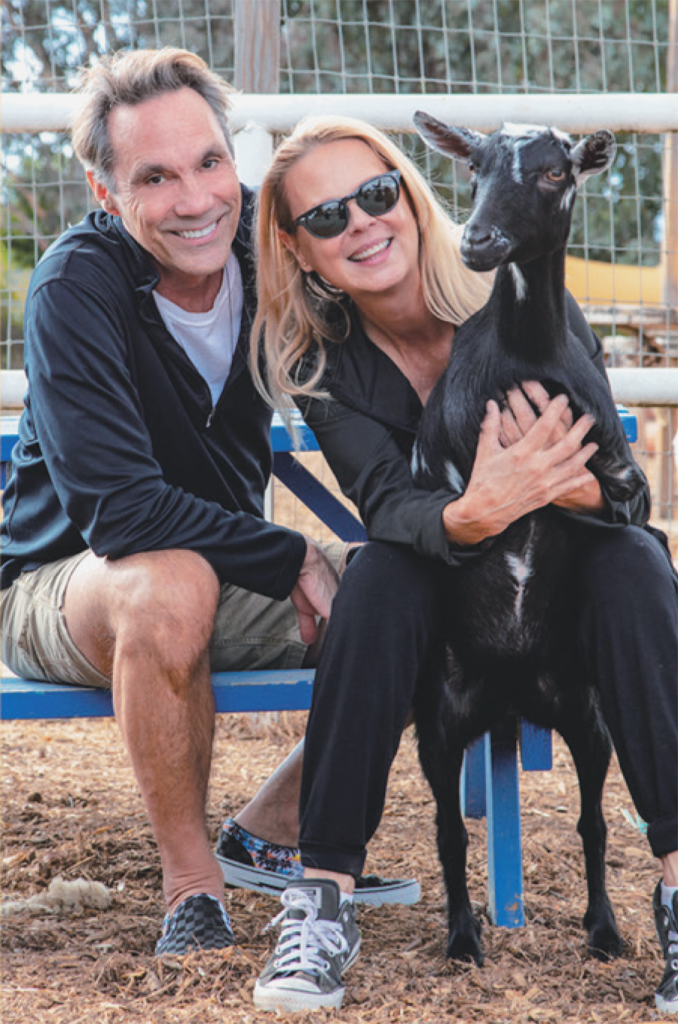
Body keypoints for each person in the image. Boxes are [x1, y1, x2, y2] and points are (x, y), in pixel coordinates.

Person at [248, 114, 678, 1014]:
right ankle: (320, 897)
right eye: (327, 219)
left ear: (409, 194)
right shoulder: (327, 365)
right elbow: (387, 503)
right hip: (452, 616)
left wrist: (563, 491)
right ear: (302, 253)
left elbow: (626, 489)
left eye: (375, 195)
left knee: (636, 561)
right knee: (376, 574)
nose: (361, 224)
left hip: (567, 604)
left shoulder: (533, 301)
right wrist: (478, 508)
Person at [0, 51, 418, 959]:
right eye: (155, 176)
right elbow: (120, 515)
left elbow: (380, 378)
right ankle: (194, 889)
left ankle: (266, 831)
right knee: (167, 582)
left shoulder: (274, 263)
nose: (195, 198)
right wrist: (291, 554)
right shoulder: (75, 288)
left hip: (226, 567)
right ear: (106, 192)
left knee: (434, 589)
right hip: (63, 586)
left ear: (234, 160)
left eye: (209, 163)